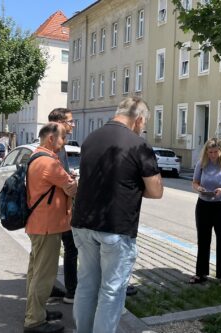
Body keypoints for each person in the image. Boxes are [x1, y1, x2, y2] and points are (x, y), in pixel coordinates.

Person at [71, 97, 163, 333]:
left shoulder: (91, 138)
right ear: (139, 119)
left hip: (82, 223)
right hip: (115, 226)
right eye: (143, 125)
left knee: (86, 286)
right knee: (111, 291)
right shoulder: (138, 145)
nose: (142, 129)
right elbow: (156, 191)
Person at [24, 123, 78, 333]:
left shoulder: (36, 156)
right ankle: (34, 322)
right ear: (50, 139)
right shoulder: (49, 162)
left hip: (37, 224)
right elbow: (71, 188)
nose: (64, 142)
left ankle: (36, 312)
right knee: (44, 275)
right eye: (63, 138)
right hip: (47, 226)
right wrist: (73, 182)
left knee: (35, 272)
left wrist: (69, 182)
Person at [190, 138, 221, 286]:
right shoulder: (201, 164)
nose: (212, 155)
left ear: (220, 151)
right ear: (206, 152)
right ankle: (201, 273)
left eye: (215, 152)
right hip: (204, 205)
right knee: (203, 240)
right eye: (210, 152)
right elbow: (195, 182)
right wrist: (199, 189)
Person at [47, 108, 78, 304]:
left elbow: (60, 174)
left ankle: (54, 288)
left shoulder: (58, 144)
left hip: (58, 207)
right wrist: (72, 183)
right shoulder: (54, 146)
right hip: (56, 208)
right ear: (59, 123)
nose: (73, 124)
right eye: (70, 121)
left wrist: (68, 176)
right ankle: (71, 291)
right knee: (68, 248)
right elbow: (57, 177)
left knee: (64, 248)